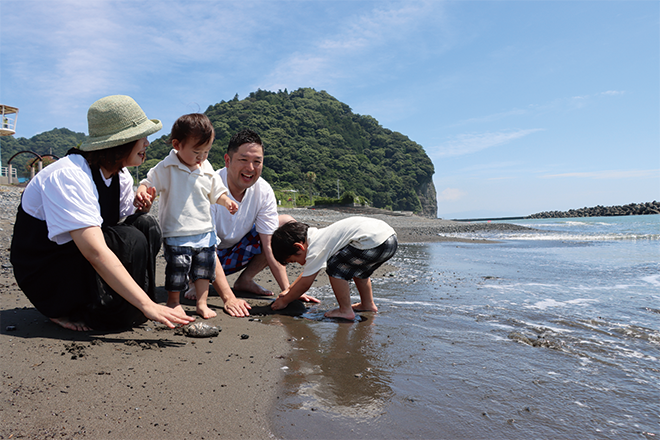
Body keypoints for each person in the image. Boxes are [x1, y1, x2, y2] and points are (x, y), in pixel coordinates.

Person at [10, 95, 195, 331]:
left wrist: (142, 208)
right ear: (121, 142)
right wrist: (148, 304)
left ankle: (127, 307)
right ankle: (67, 310)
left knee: (145, 226)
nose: (147, 143)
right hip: (48, 273)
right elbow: (94, 250)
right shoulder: (69, 175)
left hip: (75, 260)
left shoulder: (121, 175)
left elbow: (118, 223)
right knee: (131, 239)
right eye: (142, 137)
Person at [185, 128, 319, 317]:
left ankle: (245, 280)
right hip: (198, 256)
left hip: (231, 254)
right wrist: (228, 298)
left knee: (284, 225)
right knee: (198, 246)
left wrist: (288, 291)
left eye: (257, 162)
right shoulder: (208, 187)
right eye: (243, 160)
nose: (250, 168)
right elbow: (206, 248)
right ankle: (195, 282)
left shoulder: (263, 191)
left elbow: (270, 245)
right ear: (227, 160)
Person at [135, 113, 238, 319]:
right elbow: (149, 182)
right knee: (177, 270)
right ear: (177, 144)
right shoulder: (166, 167)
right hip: (177, 231)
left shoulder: (206, 167)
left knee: (204, 271)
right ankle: (174, 302)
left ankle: (201, 303)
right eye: (196, 151)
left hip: (205, 231)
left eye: (206, 151)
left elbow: (217, 192)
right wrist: (142, 190)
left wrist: (227, 201)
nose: (201, 157)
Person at [270, 217, 398, 321]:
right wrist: (289, 290)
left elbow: (305, 283)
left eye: (294, 260)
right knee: (360, 272)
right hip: (388, 239)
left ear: (299, 247)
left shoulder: (315, 247)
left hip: (372, 243)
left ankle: (345, 310)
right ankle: (368, 304)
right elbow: (307, 273)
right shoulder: (317, 236)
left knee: (335, 267)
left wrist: (285, 301)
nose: (298, 264)